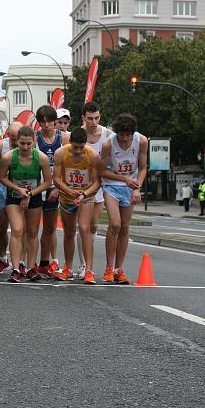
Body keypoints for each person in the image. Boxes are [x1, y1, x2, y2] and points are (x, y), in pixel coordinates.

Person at [99, 113, 148, 284]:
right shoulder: (108, 144)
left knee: (125, 227)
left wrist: (137, 188)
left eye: (129, 135)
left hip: (131, 186)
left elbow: (143, 168)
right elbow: (102, 171)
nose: (126, 138)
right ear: (116, 133)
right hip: (112, 184)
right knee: (115, 224)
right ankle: (108, 268)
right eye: (122, 135)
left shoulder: (141, 141)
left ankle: (119, 269)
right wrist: (124, 179)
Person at [0, 126, 51, 282]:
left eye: (29, 143)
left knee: (33, 232)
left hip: (33, 195)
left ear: (34, 141)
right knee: (17, 229)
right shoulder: (8, 157)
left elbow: (48, 181)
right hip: (14, 196)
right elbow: (2, 177)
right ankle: (15, 269)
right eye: (22, 143)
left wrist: (30, 193)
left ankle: (30, 268)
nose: (26, 147)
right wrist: (18, 189)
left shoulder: (41, 158)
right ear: (17, 142)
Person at [52, 127, 101, 283]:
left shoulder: (92, 155)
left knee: (84, 228)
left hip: (85, 196)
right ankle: (68, 268)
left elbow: (96, 182)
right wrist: (68, 190)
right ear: (70, 142)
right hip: (67, 196)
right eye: (75, 147)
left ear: (86, 144)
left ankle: (89, 270)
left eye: (82, 147)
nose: (79, 151)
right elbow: (56, 179)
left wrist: (84, 194)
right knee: (69, 232)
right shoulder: (61, 153)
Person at [75, 101, 111, 279]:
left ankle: (88, 262)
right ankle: (83, 265)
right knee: (83, 227)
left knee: (94, 225)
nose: (94, 122)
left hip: (100, 185)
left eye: (97, 118)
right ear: (83, 118)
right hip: (81, 186)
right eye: (90, 118)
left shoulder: (107, 135)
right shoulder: (77, 134)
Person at [35, 105, 70, 278]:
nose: (46, 125)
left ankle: (45, 262)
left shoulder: (64, 138)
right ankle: (29, 263)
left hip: (53, 188)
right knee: (31, 229)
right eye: (43, 122)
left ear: (55, 122)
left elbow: (67, 164)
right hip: (37, 187)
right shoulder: (35, 139)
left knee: (49, 227)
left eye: (49, 122)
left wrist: (58, 187)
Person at [0, 122, 20, 275]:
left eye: (17, 138)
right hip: (3, 188)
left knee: (20, 228)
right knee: (2, 226)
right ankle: (3, 258)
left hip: (20, 188)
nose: (14, 142)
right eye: (12, 137)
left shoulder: (29, 145)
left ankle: (21, 261)